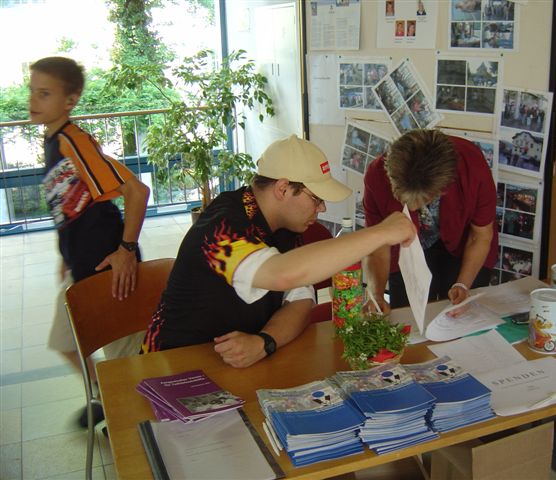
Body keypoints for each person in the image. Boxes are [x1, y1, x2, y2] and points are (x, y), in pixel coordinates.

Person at [141, 135, 416, 368]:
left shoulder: (284, 226)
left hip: (235, 362)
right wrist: (381, 232)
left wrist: (265, 342)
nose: (322, 208)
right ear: (283, 189)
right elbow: (282, 275)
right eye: (316, 198)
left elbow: (300, 300)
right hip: (173, 363)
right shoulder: (222, 229)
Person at [29, 57, 150, 425]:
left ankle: (133, 421)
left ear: (70, 100)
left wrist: (126, 251)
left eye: (44, 93)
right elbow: (70, 207)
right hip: (82, 267)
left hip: (110, 270)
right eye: (32, 91)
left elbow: (137, 191)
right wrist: (64, 257)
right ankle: (105, 396)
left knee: (125, 356)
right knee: (66, 343)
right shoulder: (55, 139)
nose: (33, 100)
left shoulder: (74, 141)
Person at [363, 129, 498, 313]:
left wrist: (463, 284)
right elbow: (378, 247)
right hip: (407, 249)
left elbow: (479, 236)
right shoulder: (376, 175)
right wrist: (376, 294)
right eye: (403, 200)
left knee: (460, 312)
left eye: (423, 201)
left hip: (465, 243)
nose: (411, 210)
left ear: (444, 187)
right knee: (408, 312)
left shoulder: (472, 166)